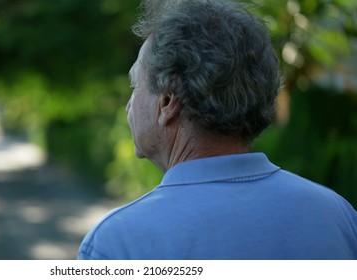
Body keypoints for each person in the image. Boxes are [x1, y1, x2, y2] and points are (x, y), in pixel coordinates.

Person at [78, 0, 357, 259]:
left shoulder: (117, 243)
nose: (129, 104)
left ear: (166, 102)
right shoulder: (337, 216)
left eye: (135, 85)